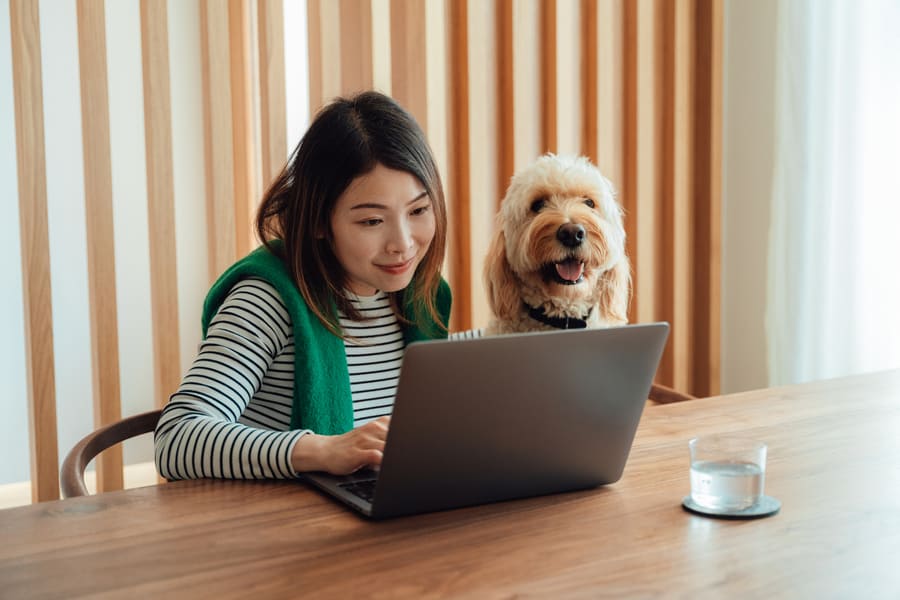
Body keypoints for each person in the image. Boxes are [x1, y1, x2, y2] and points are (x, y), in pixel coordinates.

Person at [154, 91, 459, 480]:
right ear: (317, 221)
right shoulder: (267, 299)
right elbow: (176, 438)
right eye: (371, 221)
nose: (403, 243)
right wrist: (324, 449)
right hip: (282, 528)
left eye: (418, 210)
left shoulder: (420, 297)